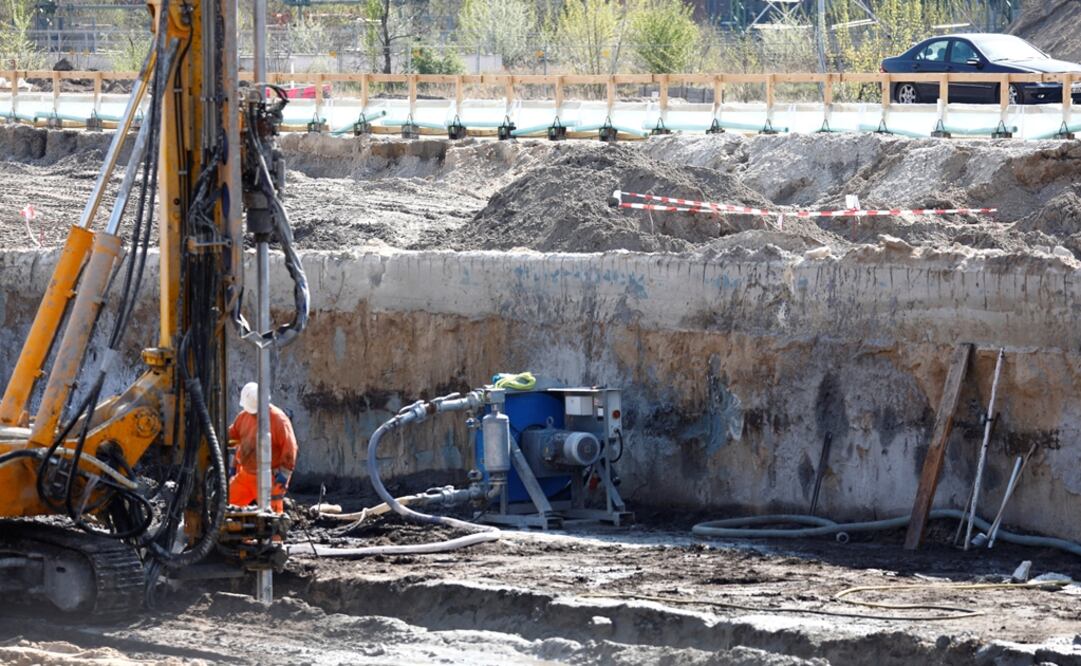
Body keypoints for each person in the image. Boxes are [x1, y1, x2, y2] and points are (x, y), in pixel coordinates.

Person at [227, 382, 298, 514]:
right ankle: (243, 534)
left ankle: (276, 535)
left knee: (273, 520)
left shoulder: (278, 419)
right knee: (228, 508)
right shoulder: (244, 416)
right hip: (245, 475)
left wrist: (284, 475)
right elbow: (232, 436)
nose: (254, 415)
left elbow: (290, 448)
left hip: (269, 478)